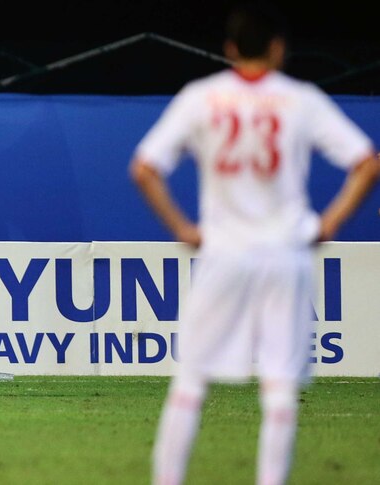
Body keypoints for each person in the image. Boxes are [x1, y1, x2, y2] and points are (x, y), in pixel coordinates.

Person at [130, 5, 379, 484]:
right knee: (280, 386)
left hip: (223, 250)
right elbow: (367, 162)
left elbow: (144, 168)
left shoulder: (202, 98)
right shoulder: (300, 100)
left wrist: (183, 229)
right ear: (279, 47)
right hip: (286, 253)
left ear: (229, 48)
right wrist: (328, 224)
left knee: (190, 380)